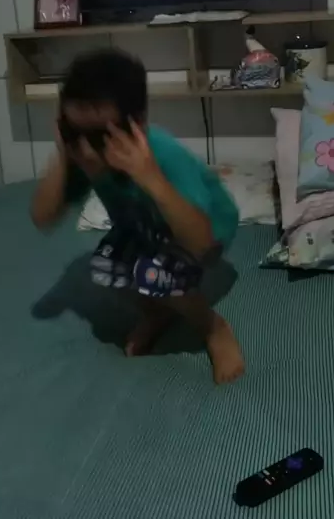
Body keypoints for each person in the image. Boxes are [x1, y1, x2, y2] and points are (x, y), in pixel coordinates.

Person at [31, 48, 244, 384]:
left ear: (139, 124)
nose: (86, 149)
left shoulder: (164, 154)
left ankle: (213, 327)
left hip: (203, 228)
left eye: (100, 137)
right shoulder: (81, 153)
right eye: (73, 133)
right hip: (142, 226)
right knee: (107, 266)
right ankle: (157, 313)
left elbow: (200, 240)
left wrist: (150, 177)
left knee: (156, 273)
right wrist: (62, 154)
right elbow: (43, 218)